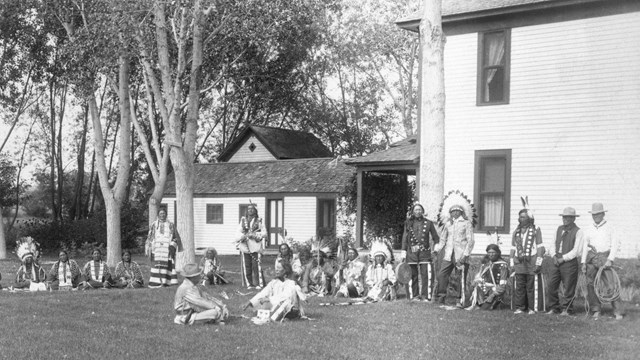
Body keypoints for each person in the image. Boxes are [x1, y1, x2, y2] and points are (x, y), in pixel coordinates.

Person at [581, 203, 622, 320]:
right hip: (592, 257)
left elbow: (615, 244)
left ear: (603, 214)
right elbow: (585, 245)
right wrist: (583, 262)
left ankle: (618, 311)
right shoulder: (589, 228)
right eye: (594, 214)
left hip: (605, 257)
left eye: (598, 214)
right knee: (590, 284)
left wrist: (610, 259)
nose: (596, 216)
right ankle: (595, 309)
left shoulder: (610, 226)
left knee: (611, 284)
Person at [435, 204, 475, 307]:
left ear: (461, 212)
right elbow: (443, 239)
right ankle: (441, 296)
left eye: (457, 211)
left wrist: (465, 255)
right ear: (450, 213)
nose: (455, 213)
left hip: (460, 254)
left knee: (460, 276)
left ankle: (459, 299)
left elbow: (470, 241)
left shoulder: (466, 223)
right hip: (448, 254)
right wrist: (437, 249)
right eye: (453, 211)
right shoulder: (448, 224)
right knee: (442, 274)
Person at [547, 207, 584, 315]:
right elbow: (552, 243)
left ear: (573, 218)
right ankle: (554, 308)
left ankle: (567, 309)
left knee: (568, 287)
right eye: (564, 217)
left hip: (569, 262)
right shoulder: (559, 229)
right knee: (551, 284)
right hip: (556, 260)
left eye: (568, 217)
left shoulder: (578, 232)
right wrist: (553, 255)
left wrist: (563, 259)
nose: (565, 219)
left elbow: (576, 251)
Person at [510, 201, 546, 314]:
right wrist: (512, 263)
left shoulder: (536, 230)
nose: (522, 219)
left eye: (524, 217)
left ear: (530, 218)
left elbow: (540, 247)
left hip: (532, 260)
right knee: (520, 285)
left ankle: (532, 308)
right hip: (519, 261)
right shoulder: (516, 231)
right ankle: (520, 307)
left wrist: (538, 263)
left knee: (531, 285)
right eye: (520, 217)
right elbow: (513, 247)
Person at [242, 262, 307, 323]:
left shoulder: (291, 283)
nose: (276, 270)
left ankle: (280, 317)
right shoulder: (274, 282)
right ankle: (272, 316)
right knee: (262, 300)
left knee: (284, 303)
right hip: (276, 304)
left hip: (290, 308)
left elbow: (286, 296)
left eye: (279, 268)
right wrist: (250, 302)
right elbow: (263, 292)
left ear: (285, 271)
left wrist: (269, 299)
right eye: (276, 268)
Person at [401, 202, 440, 301]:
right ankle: (413, 296)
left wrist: (435, 250)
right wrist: (403, 252)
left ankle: (426, 296)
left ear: (422, 211)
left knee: (426, 275)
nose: (418, 211)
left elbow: (436, 238)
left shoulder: (429, 223)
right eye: (416, 210)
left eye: (419, 210)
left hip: (425, 253)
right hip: (411, 253)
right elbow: (405, 238)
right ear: (413, 212)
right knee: (411, 274)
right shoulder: (408, 223)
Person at [467, 244, 509, 310]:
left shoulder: (502, 265)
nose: (491, 255)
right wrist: (475, 282)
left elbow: (502, 286)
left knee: (484, 309)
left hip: (495, 291)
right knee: (476, 286)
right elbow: (480, 277)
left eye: (493, 252)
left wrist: (493, 295)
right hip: (485, 289)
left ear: (497, 253)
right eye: (489, 253)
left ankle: (491, 304)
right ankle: (478, 303)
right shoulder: (486, 264)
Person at [235, 203, 266, 289]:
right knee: (247, 266)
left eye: (252, 209)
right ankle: (249, 284)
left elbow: (264, 233)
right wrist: (242, 237)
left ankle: (259, 284)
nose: (250, 210)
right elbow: (238, 232)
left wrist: (255, 235)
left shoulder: (259, 220)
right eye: (249, 209)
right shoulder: (243, 220)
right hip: (245, 246)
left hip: (255, 246)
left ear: (255, 211)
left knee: (256, 266)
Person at [146, 209, 180, 287]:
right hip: (156, 249)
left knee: (167, 265)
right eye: (161, 213)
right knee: (156, 265)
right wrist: (150, 246)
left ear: (166, 214)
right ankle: (156, 282)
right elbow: (150, 237)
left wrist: (172, 246)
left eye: (164, 213)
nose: (162, 215)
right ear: (158, 215)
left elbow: (175, 237)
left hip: (167, 249)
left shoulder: (171, 225)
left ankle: (166, 282)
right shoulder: (154, 225)